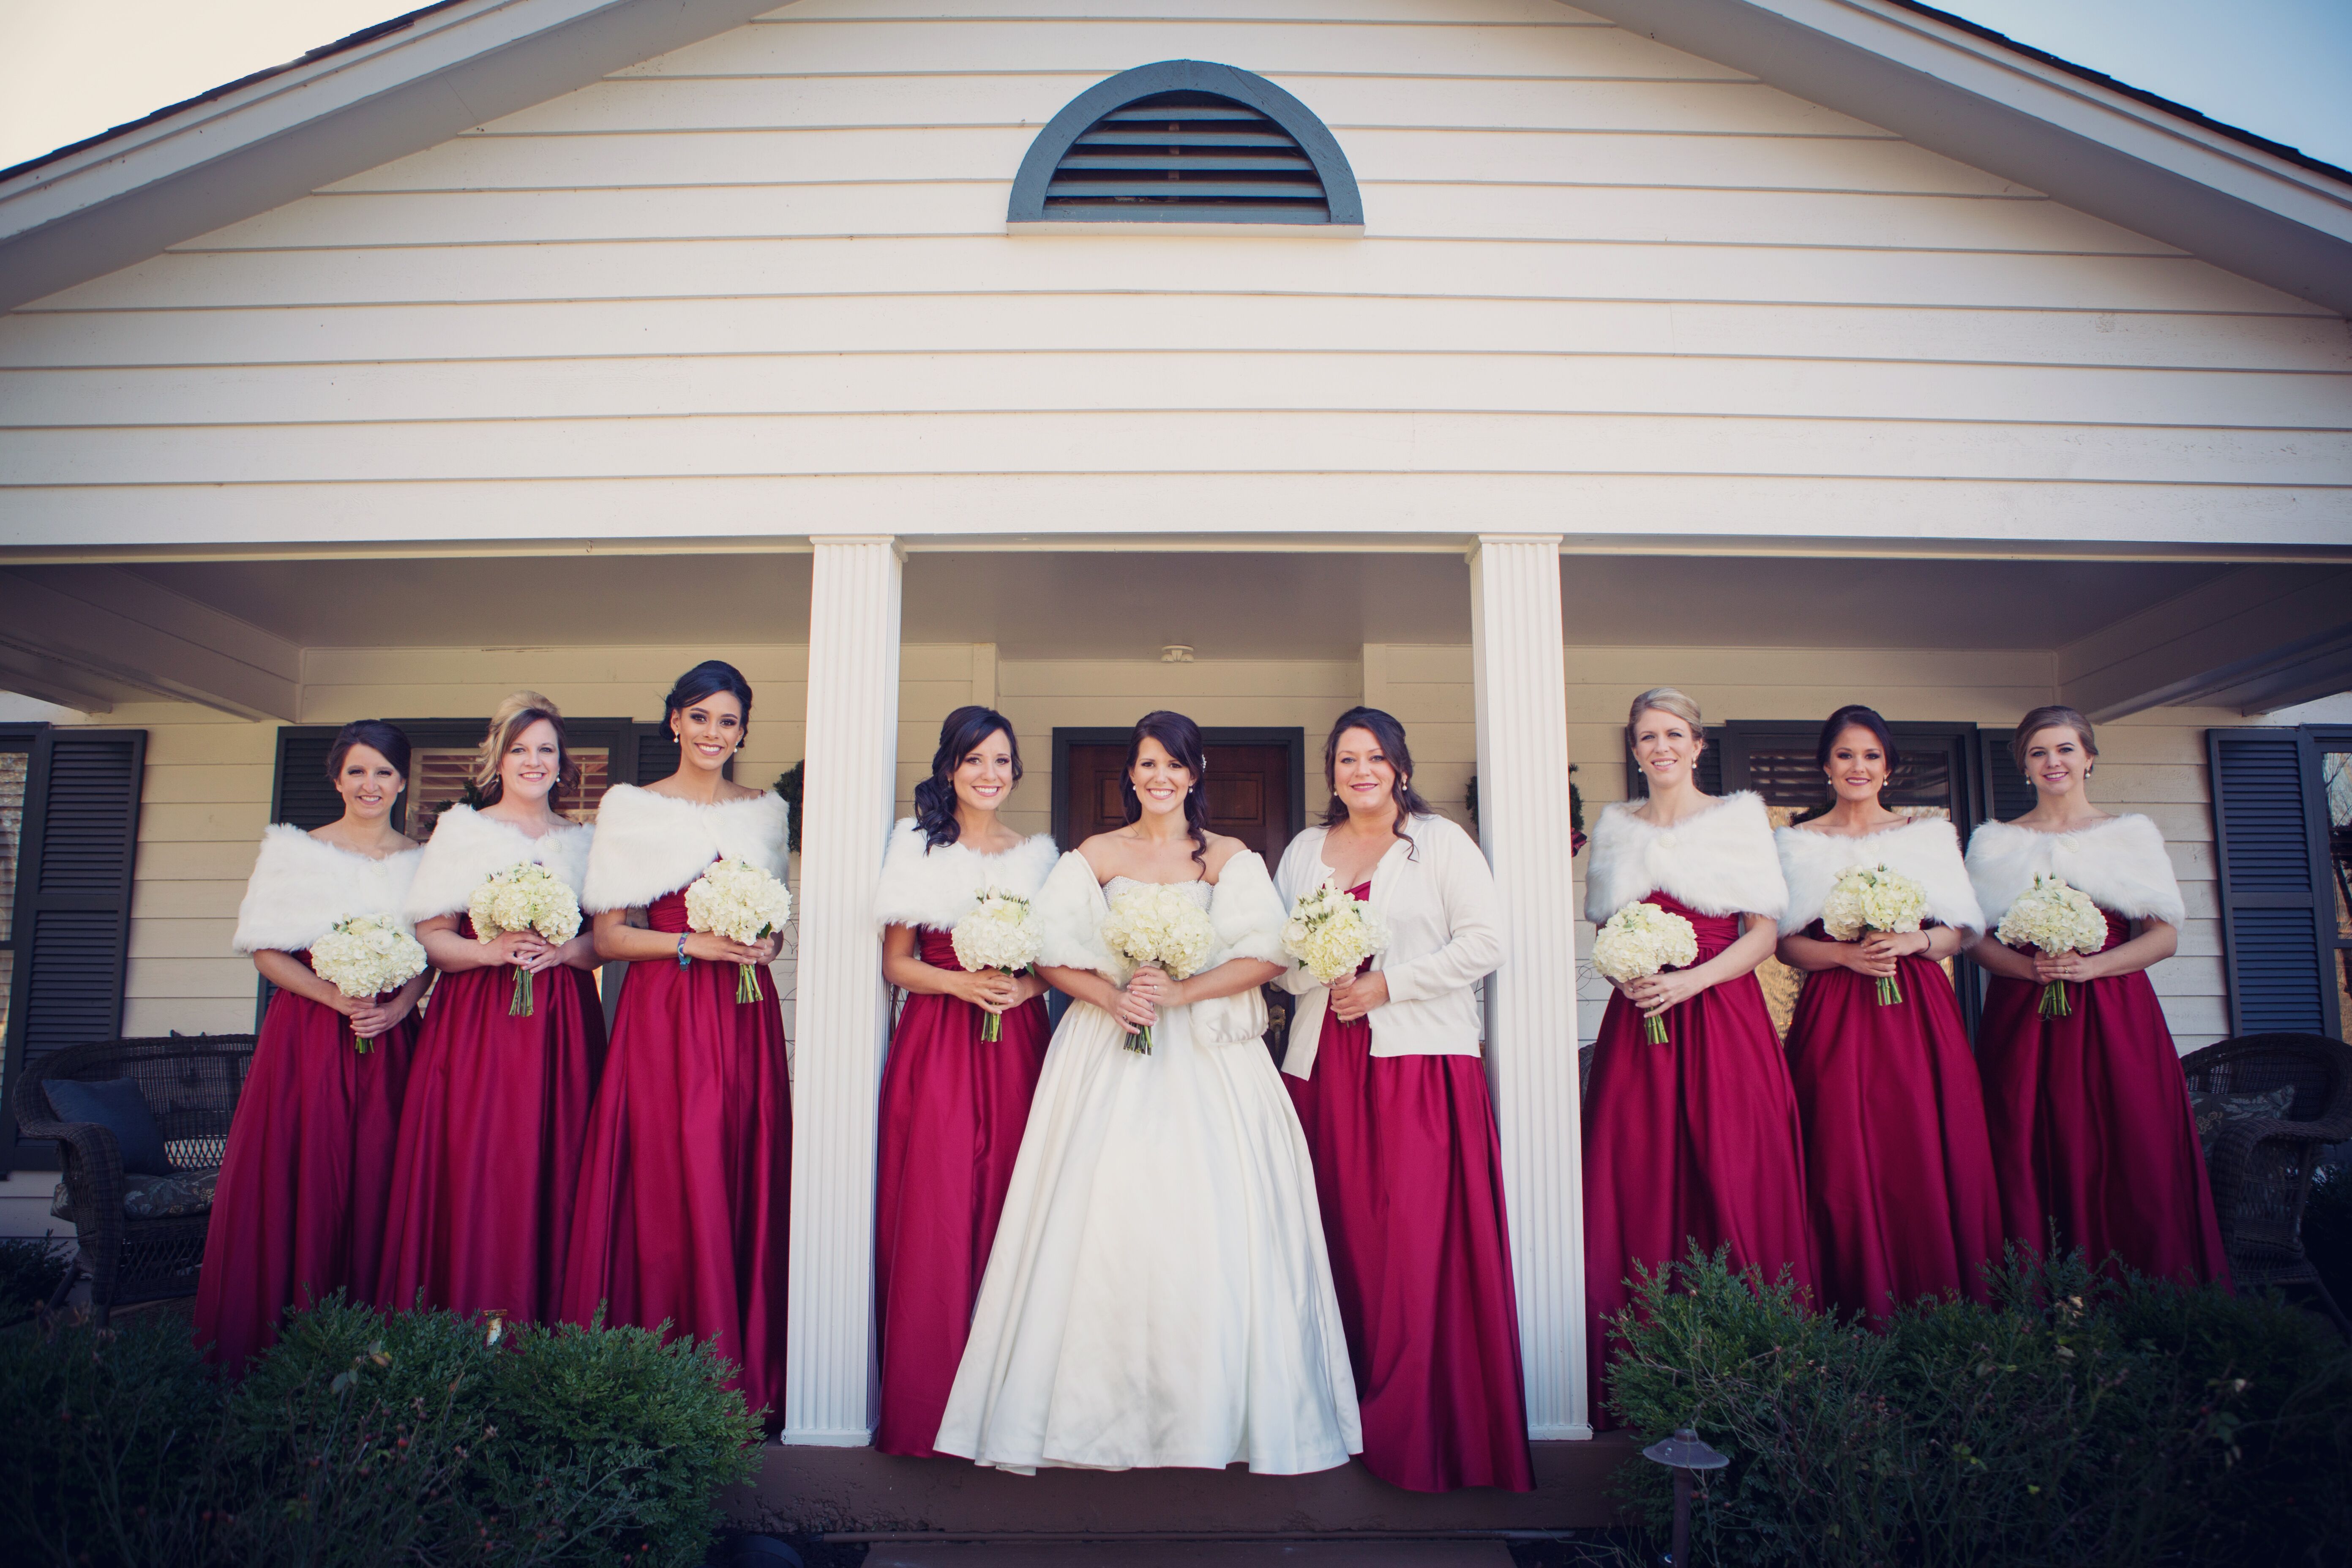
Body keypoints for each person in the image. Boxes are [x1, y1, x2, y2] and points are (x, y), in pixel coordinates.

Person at [935, 711, 1361, 1475]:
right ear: (1129, 776)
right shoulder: (1095, 854)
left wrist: (1179, 993)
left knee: (1212, 1224)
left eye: (1174, 765)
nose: (1159, 778)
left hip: (1209, 1058)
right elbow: (1048, 948)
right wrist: (1110, 998)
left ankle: (1218, 1417)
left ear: (1195, 775)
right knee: (1100, 1221)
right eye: (1145, 765)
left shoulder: (1230, 857)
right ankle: (1090, 1418)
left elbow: (1267, 954)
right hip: (1107, 1051)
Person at [1272, 707, 1531, 1492]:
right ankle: (1332, 1418)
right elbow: (1275, 961)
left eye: (1375, 758)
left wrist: (1388, 984)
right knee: (1334, 1238)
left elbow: (1485, 942)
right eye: (1347, 759)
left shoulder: (1441, 843)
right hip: (1323, 1068)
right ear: (1331, 773)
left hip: (1418, 1068)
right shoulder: (1301, 853)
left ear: (1400, 769)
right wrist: (1321, 968)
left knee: (1411, 1251)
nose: (1361, 771)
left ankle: (1419, 1431)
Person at [560, 660, 794, 1426]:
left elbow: (774, 920)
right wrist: (692, 944)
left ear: (743, 731)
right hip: (666, 1011)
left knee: (737, 1160)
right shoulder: (633, 810)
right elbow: (609, 936)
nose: (713, 734)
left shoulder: (764, 813)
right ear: (674, 722)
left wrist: (763, 942)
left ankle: (737, 1362)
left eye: (727, 722)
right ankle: (654, 1358)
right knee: (670, 1163)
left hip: (744, 1010)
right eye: (700, 718)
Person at [1581, 687, 1809, 1426]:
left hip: (1720, 1016)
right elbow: (1608, 931)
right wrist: (1628, 968)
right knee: (1637, 1173)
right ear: (1635, 747)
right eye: (1647, 736)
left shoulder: (1737, 820)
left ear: (1697, 744)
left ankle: (1756, 1359)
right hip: (1640, 1022)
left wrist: (1692, 981)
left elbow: (1763, 933)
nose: (1661, 747)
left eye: (1674, 734)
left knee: (1735, 1168)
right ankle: (1639, 1356)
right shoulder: (1615, 829)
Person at [1965, 705, 2230, 1286]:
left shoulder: (2128, 837)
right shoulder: (1995, 844)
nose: (2052, 762)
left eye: (2064, 749)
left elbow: (2163, 937)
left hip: (2114, 1013)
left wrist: (2095, 967)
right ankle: (2036, 1293)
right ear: (2023, 767)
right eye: (2038, 752)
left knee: (2128, 1146)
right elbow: (1974, 942)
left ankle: (2143, 1291)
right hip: (2022, 1015)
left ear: (2088, 759)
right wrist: (2028, 968)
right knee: (2022, 1144)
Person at [197, 720, 426, 1370]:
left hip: (391, 1041)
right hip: (307, 1039)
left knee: (382, 1178)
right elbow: (265, 949)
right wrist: (334, 998)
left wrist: (400, 1008)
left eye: (383, 772)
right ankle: (285, 1343)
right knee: (307, 1173)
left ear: (402, 780)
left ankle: (376, 1350)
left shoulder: (423, 861)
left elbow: (430, 956)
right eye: (357, 771)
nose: (370, 784)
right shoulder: (296, 852)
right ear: (336, 779)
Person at [380, 693, 603, 1325]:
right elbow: (433, 938)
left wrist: (565, 952)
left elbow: (602, 946)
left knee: (555, 1163)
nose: (533, 762)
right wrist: (491, 951)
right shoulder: (463, 831)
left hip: (561, 1020)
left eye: (545, 750)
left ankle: (549, 1327)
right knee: (481, 1163)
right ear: (497, 761)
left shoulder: (584, 842)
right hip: (478, 1023)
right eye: (519, 750)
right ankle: (468, 1319)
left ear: (563, 763)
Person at [872, 706, 1059, 1456]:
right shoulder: (917, 846)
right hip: (940, 1040)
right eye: (975, 760)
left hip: (1016, 1040)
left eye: (1002, 762)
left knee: (1017, 1195)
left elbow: (1054, 960)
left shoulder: (1040, 856)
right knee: (940, 1202)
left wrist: (1027, 990)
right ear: (950, 767)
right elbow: (897, 963)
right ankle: (929, 1398)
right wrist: (961, 986)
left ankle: (1011, 1400)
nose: (989, 774)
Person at [1774, 704, 2000, 1323]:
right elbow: (1785, 943)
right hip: (1835, 1010)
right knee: (1839, 1148)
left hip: (1917, 1016)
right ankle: (1849, 1302)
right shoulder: (1797, 842)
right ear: (1825, 764)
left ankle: (1938, 1303)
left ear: (1889, 767)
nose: (1858, 767)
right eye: (1845, 754)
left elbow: (1960, 931)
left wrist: (1914, 942)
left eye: (1871, 756)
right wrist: (1844, 955)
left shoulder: (1924, 836)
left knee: (1920, 1145)